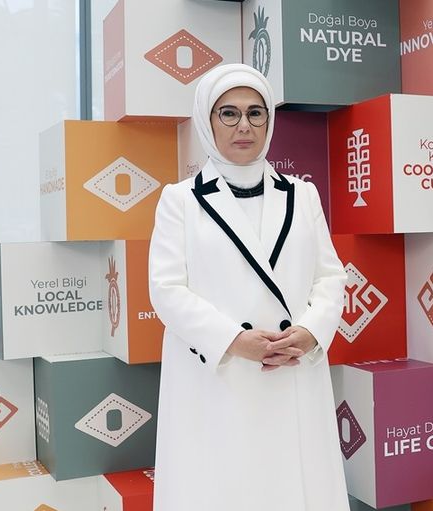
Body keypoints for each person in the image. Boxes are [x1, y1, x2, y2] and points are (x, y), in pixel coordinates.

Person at [148, 63, 350, 511]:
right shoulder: (180, 200)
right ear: (207, 120)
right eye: (229, 113)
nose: (244, 126)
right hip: (219, 377)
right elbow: (167, 291)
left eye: (256, 113)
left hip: (292, 371)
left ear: (269, 122)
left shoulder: (302, 194)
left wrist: (311, 332)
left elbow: (330, 276)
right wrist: (234, 341)